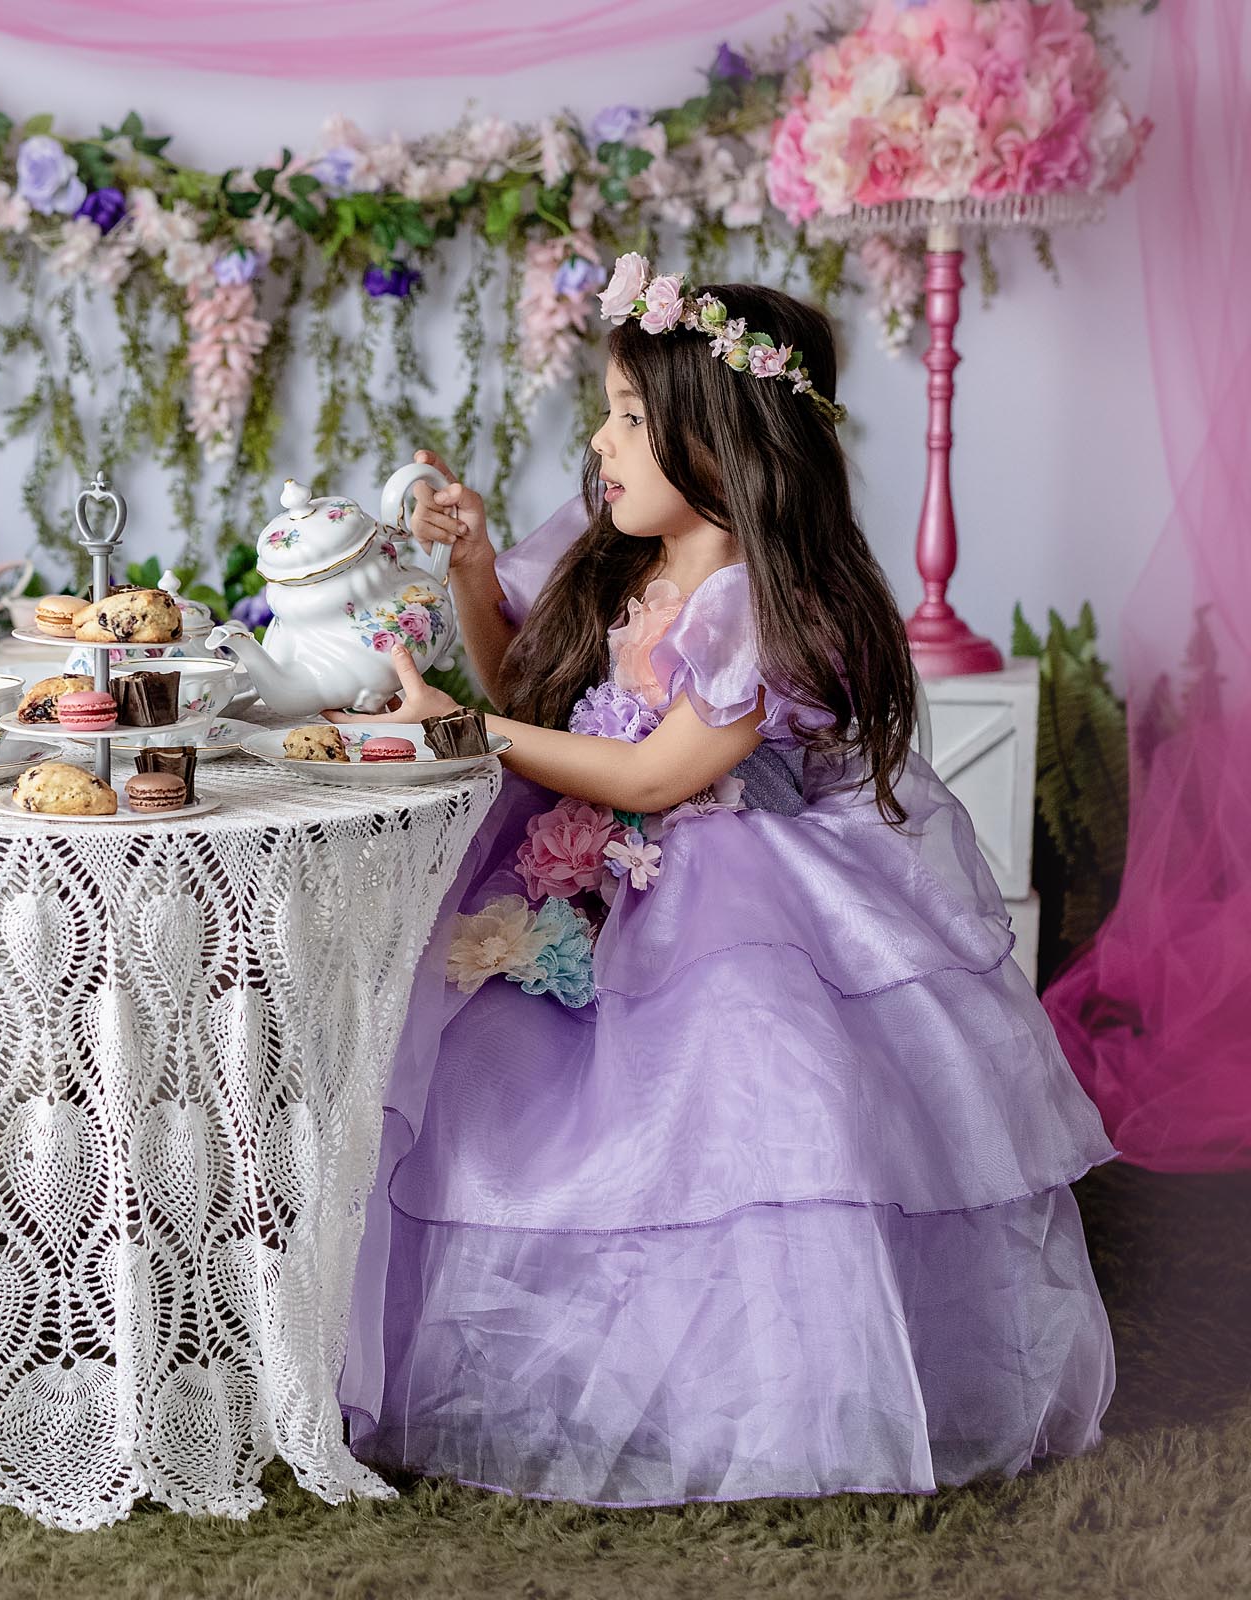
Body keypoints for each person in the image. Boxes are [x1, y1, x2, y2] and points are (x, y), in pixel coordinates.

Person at [335, 259, 1117, 1506]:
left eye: (628, 417)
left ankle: (745, 1379)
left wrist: (464, 735)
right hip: (587, 868)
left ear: (719, 439)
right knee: (492, 1086)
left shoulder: (756, 605)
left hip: (721, 885)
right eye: (604, 413)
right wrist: (475, 573)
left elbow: (654, 774)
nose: (599, 443)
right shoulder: (617, 566)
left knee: (737, 1106)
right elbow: (534, 695)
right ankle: (556, 1364)